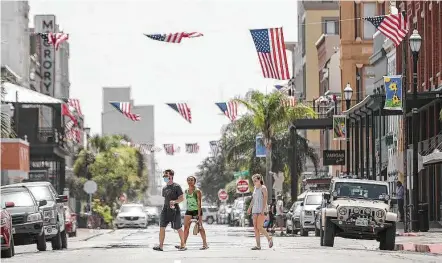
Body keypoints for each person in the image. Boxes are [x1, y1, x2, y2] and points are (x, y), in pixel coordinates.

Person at [153, 169, 186, 251]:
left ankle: (183, 245)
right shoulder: (164, 188)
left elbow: (181, 198)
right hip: (165, 209)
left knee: (178, 228)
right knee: (162, 227)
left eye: (166, 176)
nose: (164, 177)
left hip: (175, 210)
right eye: (164, 176)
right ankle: (160, 246)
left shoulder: (176, 186)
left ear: (171, 176)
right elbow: (166, 199)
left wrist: (175, 202)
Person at [180, 175, 208, 250]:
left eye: (191, 180)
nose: (190, 181)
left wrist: (198, 216)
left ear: (194, 182)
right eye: (188, 180)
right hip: (189, 211)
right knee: (186, 227)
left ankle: (205, 244)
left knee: (200, 227)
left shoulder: (197, 191)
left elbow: (199, 203)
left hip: (197, 211)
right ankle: (183, 245)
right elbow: (188, 202)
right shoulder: (186, 191)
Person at [247, 174, 273, 250]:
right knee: (255, 228)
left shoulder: (263, 188)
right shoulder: (255, 188)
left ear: (259, 180)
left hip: (262, 210)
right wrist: (249, 208)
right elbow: (253, 199)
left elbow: (265, 199)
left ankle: (269, 238)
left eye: (255, 180)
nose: (254, 182)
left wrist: (263, 209)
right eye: (253, 181)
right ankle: (258, 245)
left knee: (259, 227)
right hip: (255, 210)